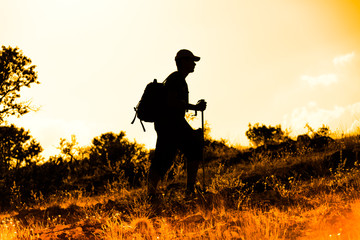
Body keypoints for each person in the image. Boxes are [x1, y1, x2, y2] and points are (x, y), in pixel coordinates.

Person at [147, 49, 207, 200]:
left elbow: (176, 104)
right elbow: (171, 102)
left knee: (184, 151)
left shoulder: (178, 79)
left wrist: (194, 107)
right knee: (166, 157)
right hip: (170, 124)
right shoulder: (176, 79)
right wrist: (195, 107)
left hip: (171, 124)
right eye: (191, 60)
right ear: (183, 62)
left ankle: (155, 194)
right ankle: (186, 192)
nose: (194, 64)